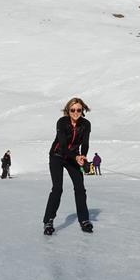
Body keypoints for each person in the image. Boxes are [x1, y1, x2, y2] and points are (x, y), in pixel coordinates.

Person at [42, 97, 93, 235]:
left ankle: (84, 219)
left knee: (80, 188)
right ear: (68, 110)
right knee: (57, 188)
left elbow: (85, 143)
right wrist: (76, 156)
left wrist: (83, 156)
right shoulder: (62, 122)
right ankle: (48, 220)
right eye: (72, 109)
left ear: (82, 110)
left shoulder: (86, 124)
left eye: (78, 109)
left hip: (73, 158)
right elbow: (63, 146)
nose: (75, 112)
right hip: (57, 156)